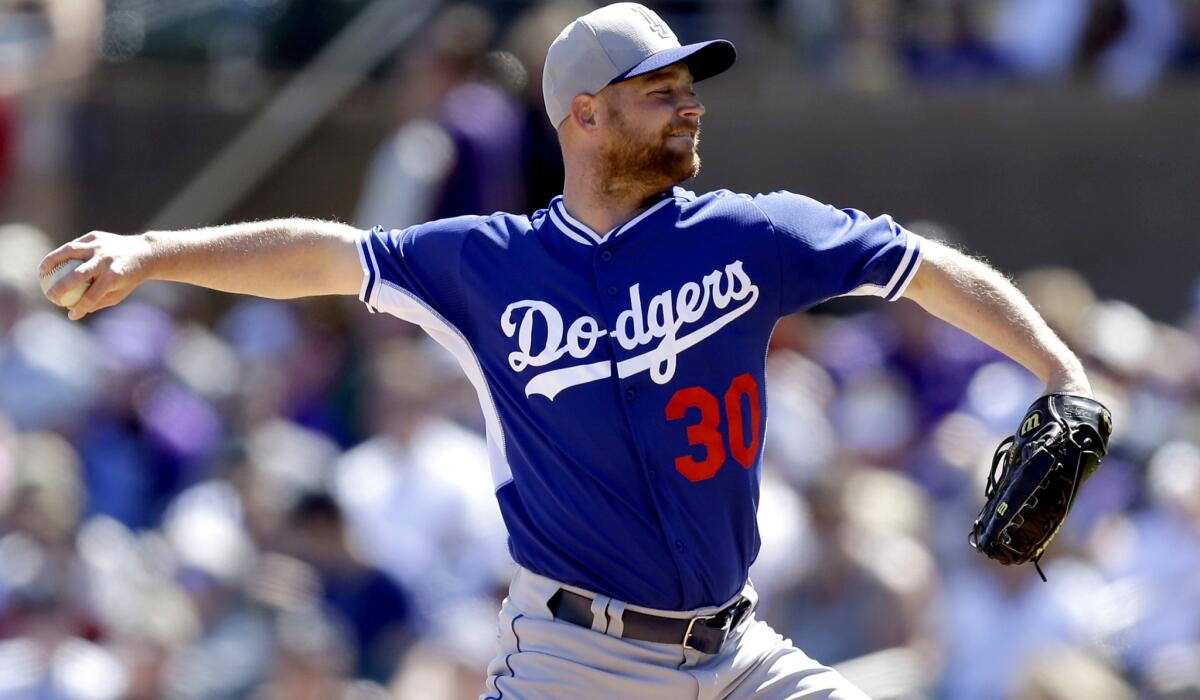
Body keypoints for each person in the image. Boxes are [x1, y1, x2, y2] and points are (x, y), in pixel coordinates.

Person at [40, 3, 1096, 698]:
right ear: (585, 116)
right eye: (661, 87)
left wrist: (1061, 371)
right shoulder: (491, 266)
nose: (690, 101)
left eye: (691, 84)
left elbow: (918, 265)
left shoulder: (751, 233)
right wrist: (155, 252)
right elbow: (325, 253)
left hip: (735, 652)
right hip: (572, 656)